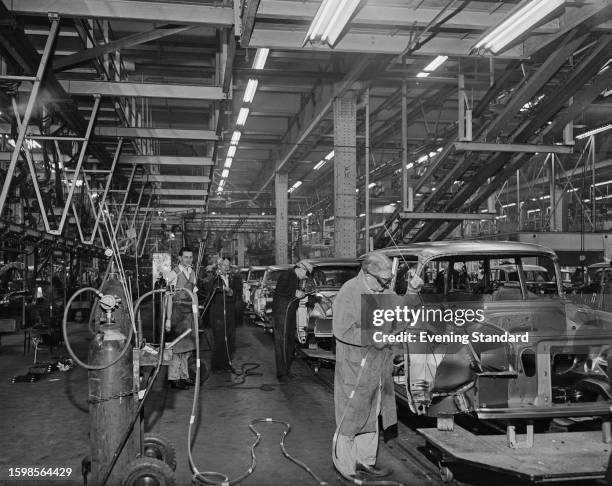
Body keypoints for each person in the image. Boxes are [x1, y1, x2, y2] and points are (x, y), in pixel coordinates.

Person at [332, 251, 397, 482]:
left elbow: (401, 318)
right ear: (368, 273)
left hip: (377, 368)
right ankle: (347, 469)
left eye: (389, 280)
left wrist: (414, 292)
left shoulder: (385, 292)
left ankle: (365, 462)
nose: (387, 285)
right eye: (383, 280)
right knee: (350, 417)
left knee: (371, 415)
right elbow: (342, 330)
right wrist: (374, 337)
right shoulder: (349, 291)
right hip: (354, 367)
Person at [271, 260, 313, 381]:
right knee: (282, 343)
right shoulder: (287, 275)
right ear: (301, 268)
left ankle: (287, 370)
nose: (305, 276)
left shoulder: (295, 278)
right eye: (306, 273)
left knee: (289, 342)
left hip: (289, 314)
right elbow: (280, 290)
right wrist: (295, 292)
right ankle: (282, 373)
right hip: (282, 313)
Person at [164, 247, 198, 390]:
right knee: (176, 348)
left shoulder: (192, 272)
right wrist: (168, 318)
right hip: (177, 313)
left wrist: (196, 313)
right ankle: (173, 378)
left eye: (190, 257)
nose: (188, 260)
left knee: (188, 348)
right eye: (185, 257)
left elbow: (194, 294)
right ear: (179, 258)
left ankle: (184, 376)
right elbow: (168, 297)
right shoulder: (173, 273)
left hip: (188, 314)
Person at [205, 258, 236, 372]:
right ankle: (217, 366)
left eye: (228, 265)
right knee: (219, 340)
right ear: (219, 266)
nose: (227, 268)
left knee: (230, 339)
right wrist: (215, 277)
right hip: (218, 314)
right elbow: (208, 288)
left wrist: (231, 292)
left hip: (229, 313)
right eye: (224, 265)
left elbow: (235, 295)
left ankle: (226, 364)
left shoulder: (231, 279)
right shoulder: (215, 279)